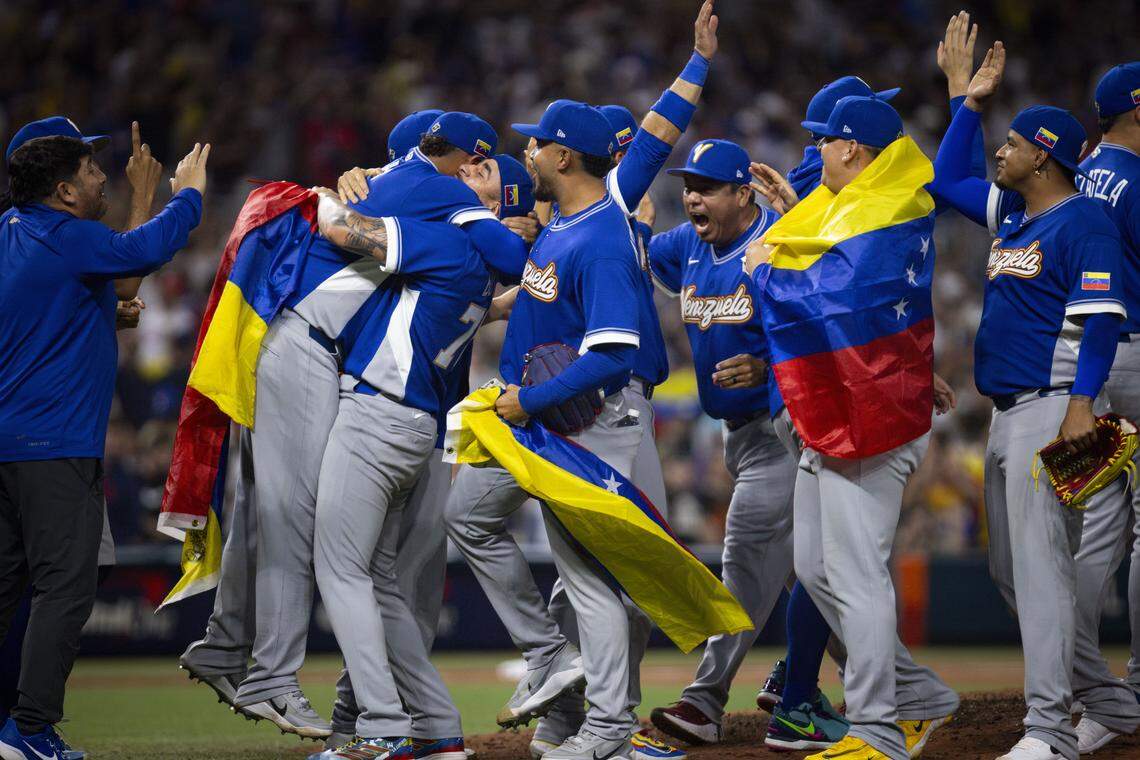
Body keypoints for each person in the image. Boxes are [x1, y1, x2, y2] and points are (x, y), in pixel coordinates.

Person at [444, 5, 718, 759]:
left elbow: (609, 354)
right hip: (544, 413)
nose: (524, 147)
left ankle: (601, 724)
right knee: (478, 520)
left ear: (567, 158)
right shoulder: (562, 225)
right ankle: (561, 679)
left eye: (538, 141)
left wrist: (697, 64)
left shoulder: (602, 229)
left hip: (590, 412)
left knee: (601, 575)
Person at [929, 47, 1135, 760]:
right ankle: (1110, 702)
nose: (1002, 151)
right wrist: (970, 102)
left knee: (1043, 568)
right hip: (1007, 412)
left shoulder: (1084, 223)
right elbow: (945, 177)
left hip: (1054, 406)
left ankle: (1048, 729)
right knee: (1012, 573)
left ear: (1044, 157)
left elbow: (1103, 319)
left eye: (1013, 142)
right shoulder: (1014, 214)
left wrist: (1083, 405)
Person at [0, 117, 208, 760]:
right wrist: (190, 195)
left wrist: (89, 316)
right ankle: (30, 730)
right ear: (63, 190)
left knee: (9, 589)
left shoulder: (13, 233)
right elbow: (139, 254)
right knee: (67, 587)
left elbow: (89, 292)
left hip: (12, 442)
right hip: (53, 442)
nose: (101, 177)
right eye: (91, 170)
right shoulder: (66, 236)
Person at [642, 137, 820, 749]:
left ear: (743, 194)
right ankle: (831, 686)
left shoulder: (778, 243)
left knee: (744, 555)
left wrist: (770, 371)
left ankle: (704, 700)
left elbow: (823, 331)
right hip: (737, 435)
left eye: (707, 187)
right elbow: (628, 249)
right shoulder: (688, 244)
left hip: (787, 429)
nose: (692, 196)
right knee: (812, 573)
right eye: (688, 185)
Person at [1062, 61, 1140, 755]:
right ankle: (1135, 689)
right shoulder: (1137, 179)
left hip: (1087, 359)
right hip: (1135, 350)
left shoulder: (1082, 171)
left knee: (1098, 532)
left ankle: (1087, 691)